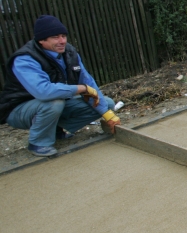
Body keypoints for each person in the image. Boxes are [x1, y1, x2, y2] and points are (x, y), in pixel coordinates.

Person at [0, 15, 120, 157]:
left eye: (63, 36)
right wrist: (80, 89)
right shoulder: (25, 59)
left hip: (52, 104)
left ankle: (55, 130)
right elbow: (43, 92)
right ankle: (38, 142)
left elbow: (88, 83)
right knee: (54, 102)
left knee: (107, 104)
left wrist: (108, 115)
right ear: (41, 39)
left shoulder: (69, 53)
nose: (62, 41)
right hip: (18, 109)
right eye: (55, 37)